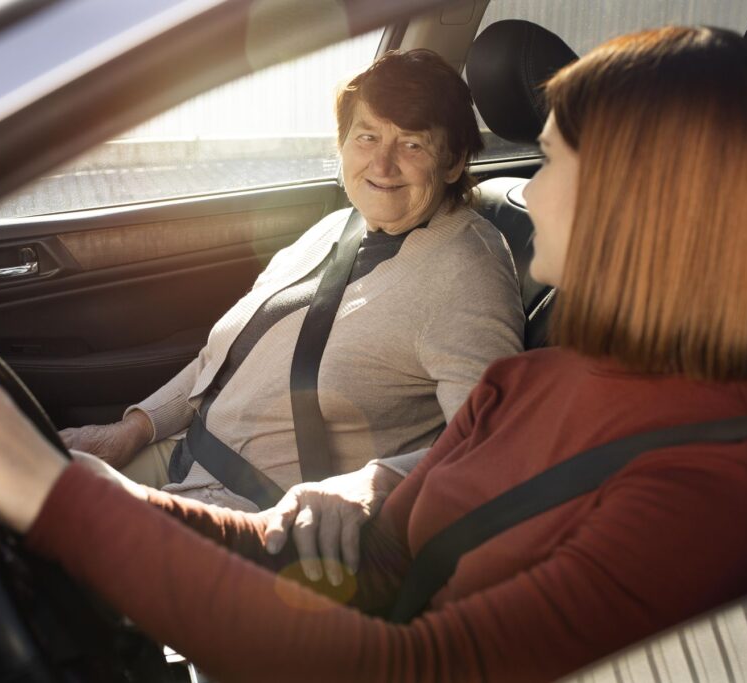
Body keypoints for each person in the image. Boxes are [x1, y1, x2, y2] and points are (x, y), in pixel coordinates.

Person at [0, 27, 747, 681]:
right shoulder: (537, 379)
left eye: (554, 158)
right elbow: (365, 553)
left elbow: (409, 667)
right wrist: (107, 494)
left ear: (634, 205)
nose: (529, 188)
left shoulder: (715, 491)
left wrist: (57, 502)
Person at [59, 49, 524, 512]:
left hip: (258, 511)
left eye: (412, 145)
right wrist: (132, 430)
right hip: (187, 450)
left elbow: (486, 446)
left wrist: (372, 485)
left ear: (453, 161)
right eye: (367, 137)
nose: (381, 165)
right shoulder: (335, 228)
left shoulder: (467, 273)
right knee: (33, 476)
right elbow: (220, 359)